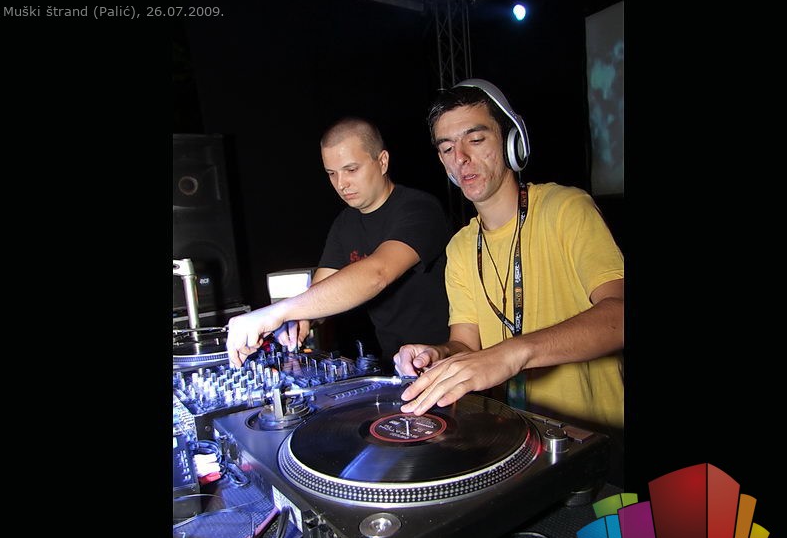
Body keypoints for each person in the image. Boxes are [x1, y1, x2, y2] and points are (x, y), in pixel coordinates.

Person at [393, 79, 624, 481]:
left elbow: (619, 314)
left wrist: (513, 352)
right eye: (446, 148)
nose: (460, 158)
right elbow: (467, 343)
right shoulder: (461, 247)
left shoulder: (566, 209)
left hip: (599, 448)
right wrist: (438, 355)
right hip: (519, 447)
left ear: (512, 142)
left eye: (475, 139)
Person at [226, 117, 451, 370]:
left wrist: (278, 312)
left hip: (443, 359)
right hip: (395, 364)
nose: (341, 184)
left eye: (351, 170)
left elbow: (378, 273)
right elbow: (320, 291)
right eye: (332, 174)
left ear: (382, 161)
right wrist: (299, 320)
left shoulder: (420, 208)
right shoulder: (345, 223)